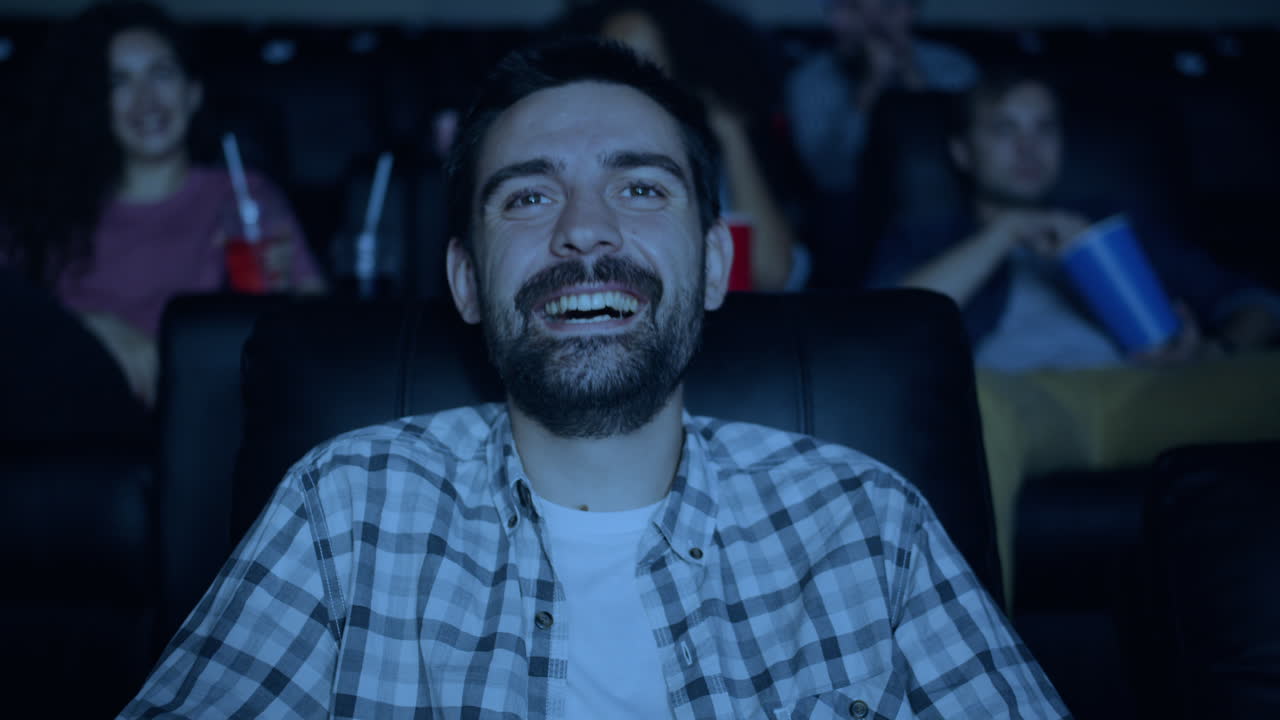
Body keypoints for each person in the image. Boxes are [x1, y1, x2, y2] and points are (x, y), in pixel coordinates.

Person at [120, 39, 1066, 718]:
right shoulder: (345, 507)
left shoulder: (868, 523)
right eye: (529, 196)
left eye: (641, 187)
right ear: (465, 283)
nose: (585, 230)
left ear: (713, 265)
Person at [0, 0, 324, 408]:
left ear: (193, 93)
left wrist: (279, 299)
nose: (145, 99)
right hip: (54, 420)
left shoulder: (243, 197)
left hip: (191, 419)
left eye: (162, 74)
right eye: (120, 81)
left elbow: (318, 324)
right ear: (99, 105)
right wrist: (93, 329)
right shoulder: (47, 206)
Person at [868, 70, 1280, 370]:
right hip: (1010, 407)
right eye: (1004, 130)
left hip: (1140, 391)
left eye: (1045, 129)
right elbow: (886, 327)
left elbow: (1255, 302)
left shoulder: (1111, 229)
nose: (1028, 148)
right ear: (962, 152)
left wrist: (1217, 352)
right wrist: (1004, 232)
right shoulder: (928, 239)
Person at [559, 0, 812, 291]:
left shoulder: (702, 160)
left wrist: (730, 131)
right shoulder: (575, 160)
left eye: (645, 63)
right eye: (612, 64)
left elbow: (773, 273)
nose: (628, 80)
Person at [786, 0, 977, 197]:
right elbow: (831, 176)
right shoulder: (811, 80)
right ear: (836, 15)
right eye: (856, 8)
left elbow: (968, 160)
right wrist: (870, 86)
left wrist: (910, 75)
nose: (874, 22)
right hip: (852, 206)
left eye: (889, 6)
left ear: (911, 12)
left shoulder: (951, 66)